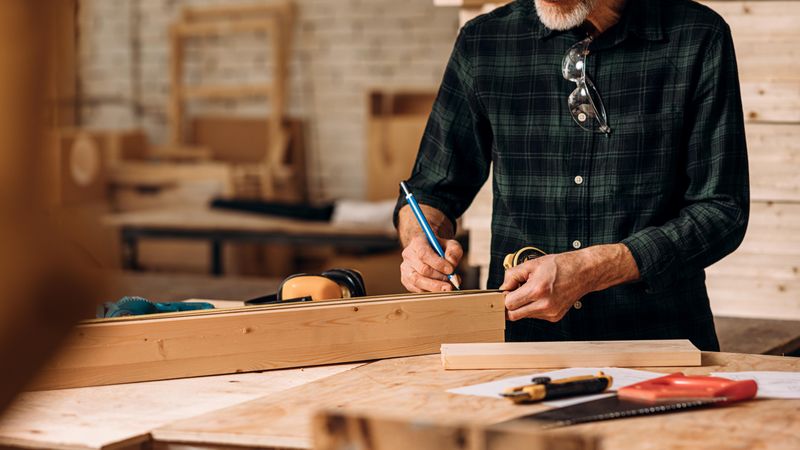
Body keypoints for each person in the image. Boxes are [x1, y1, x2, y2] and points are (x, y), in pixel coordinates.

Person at [394, 0, 749, 351]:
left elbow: (721, 210)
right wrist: (419, 242)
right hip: (521, 346)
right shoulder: (483, 41)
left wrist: (593, 268)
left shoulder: (699, 36)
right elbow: (432, 188)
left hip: (660, 343)